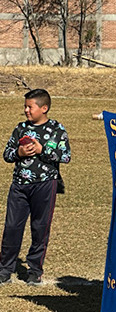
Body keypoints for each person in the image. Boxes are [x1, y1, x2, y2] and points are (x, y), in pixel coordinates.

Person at [0, 89, 71, 286]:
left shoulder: (57, 130)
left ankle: (34, 270)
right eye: (25, 107)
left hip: (45, 185)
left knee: (40, 228)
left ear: (44, 108)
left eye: (30, 107)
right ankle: (5, 269)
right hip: (19, 186)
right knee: (12, 227)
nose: (26, 111)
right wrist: (19, 152)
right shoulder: (20, 128)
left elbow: (65, 156)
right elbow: (7, 154)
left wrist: (43, 150)